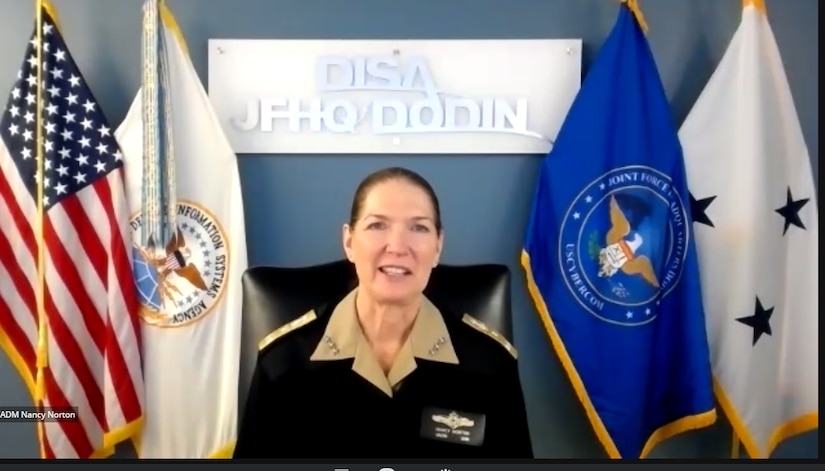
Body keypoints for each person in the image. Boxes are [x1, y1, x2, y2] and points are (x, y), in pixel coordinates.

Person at [232, 167, 533, 459]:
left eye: (419, 227)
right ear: (349, 241)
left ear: (438, 246)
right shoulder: (285, 363)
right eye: (378, 225)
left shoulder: (489, 365)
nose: (398, 246)